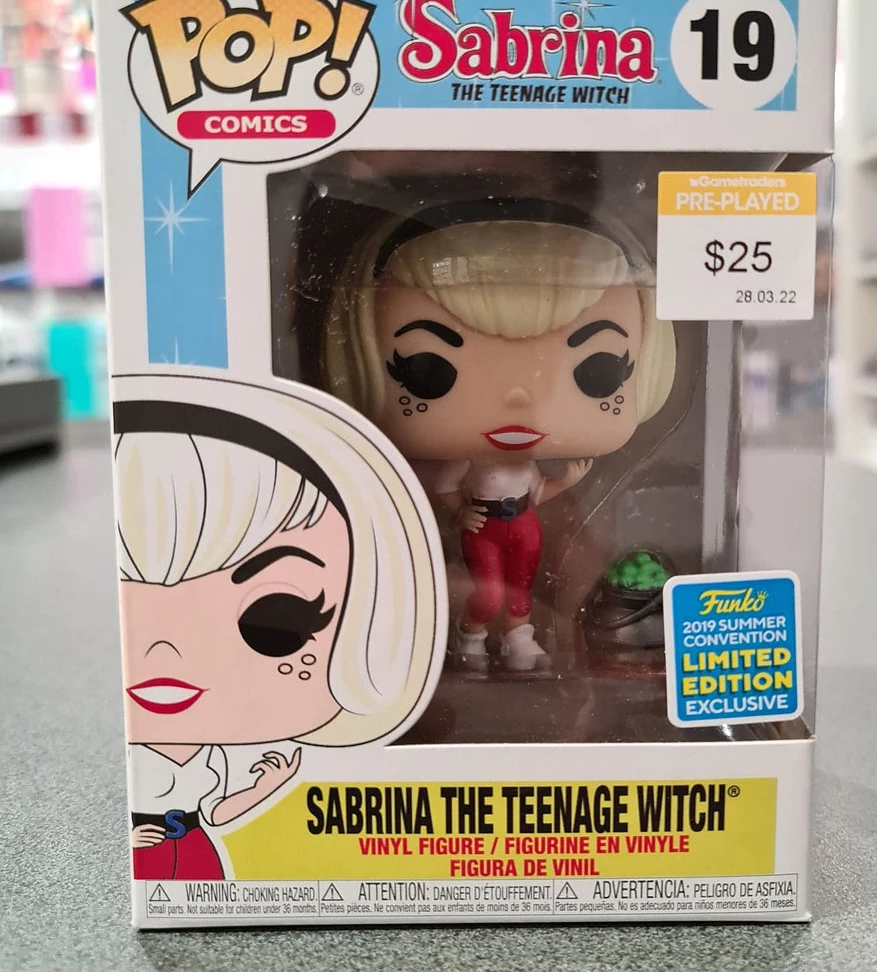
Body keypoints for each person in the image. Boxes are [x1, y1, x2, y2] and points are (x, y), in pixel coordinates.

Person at [114, 373, 445, 879]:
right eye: (132, 605)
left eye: (274, 620)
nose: (164, 654)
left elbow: (215, 813)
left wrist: (263, 788)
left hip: (199, 856)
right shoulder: (139, 756)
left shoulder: (211, 761)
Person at [323, 198, 675, 672]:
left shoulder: (528, 472)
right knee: (489, 591)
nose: (518, 398)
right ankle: (470, 635)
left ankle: (518, 639)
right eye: (428, 371)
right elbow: (446, 489)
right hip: (483, 527)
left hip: (523, 523)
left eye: (600, 370)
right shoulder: (457, 466)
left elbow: (539, 493)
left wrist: (567, 484)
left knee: (520, 587)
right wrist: (459, 513)